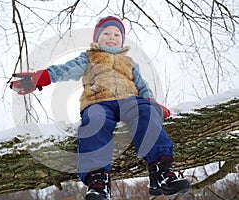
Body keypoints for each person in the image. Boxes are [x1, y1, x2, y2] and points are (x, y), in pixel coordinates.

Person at [10, 16, 191, 200]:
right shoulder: (90, 57)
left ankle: (161, 171)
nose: (112, 37)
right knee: (95, 122)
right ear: (97, 38)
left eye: (116, 34)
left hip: (129, 101)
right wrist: (42, 77)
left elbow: (142, 86)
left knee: (145, 111)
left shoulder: (129, 63)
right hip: (98, 102)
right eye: (106, 33)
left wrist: (153, 104)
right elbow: (67, 69)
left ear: (122, 40)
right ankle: (98, 180)